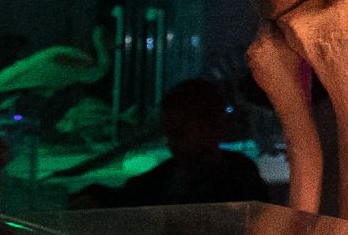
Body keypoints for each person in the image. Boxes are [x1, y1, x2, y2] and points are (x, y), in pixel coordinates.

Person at [79, 76, 263, 208]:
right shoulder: (167, 173)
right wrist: (94, 196)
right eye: (168, 134)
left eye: (179, 133)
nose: (171, 142)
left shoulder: (239, 175)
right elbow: (125, 196)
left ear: (213, 127)